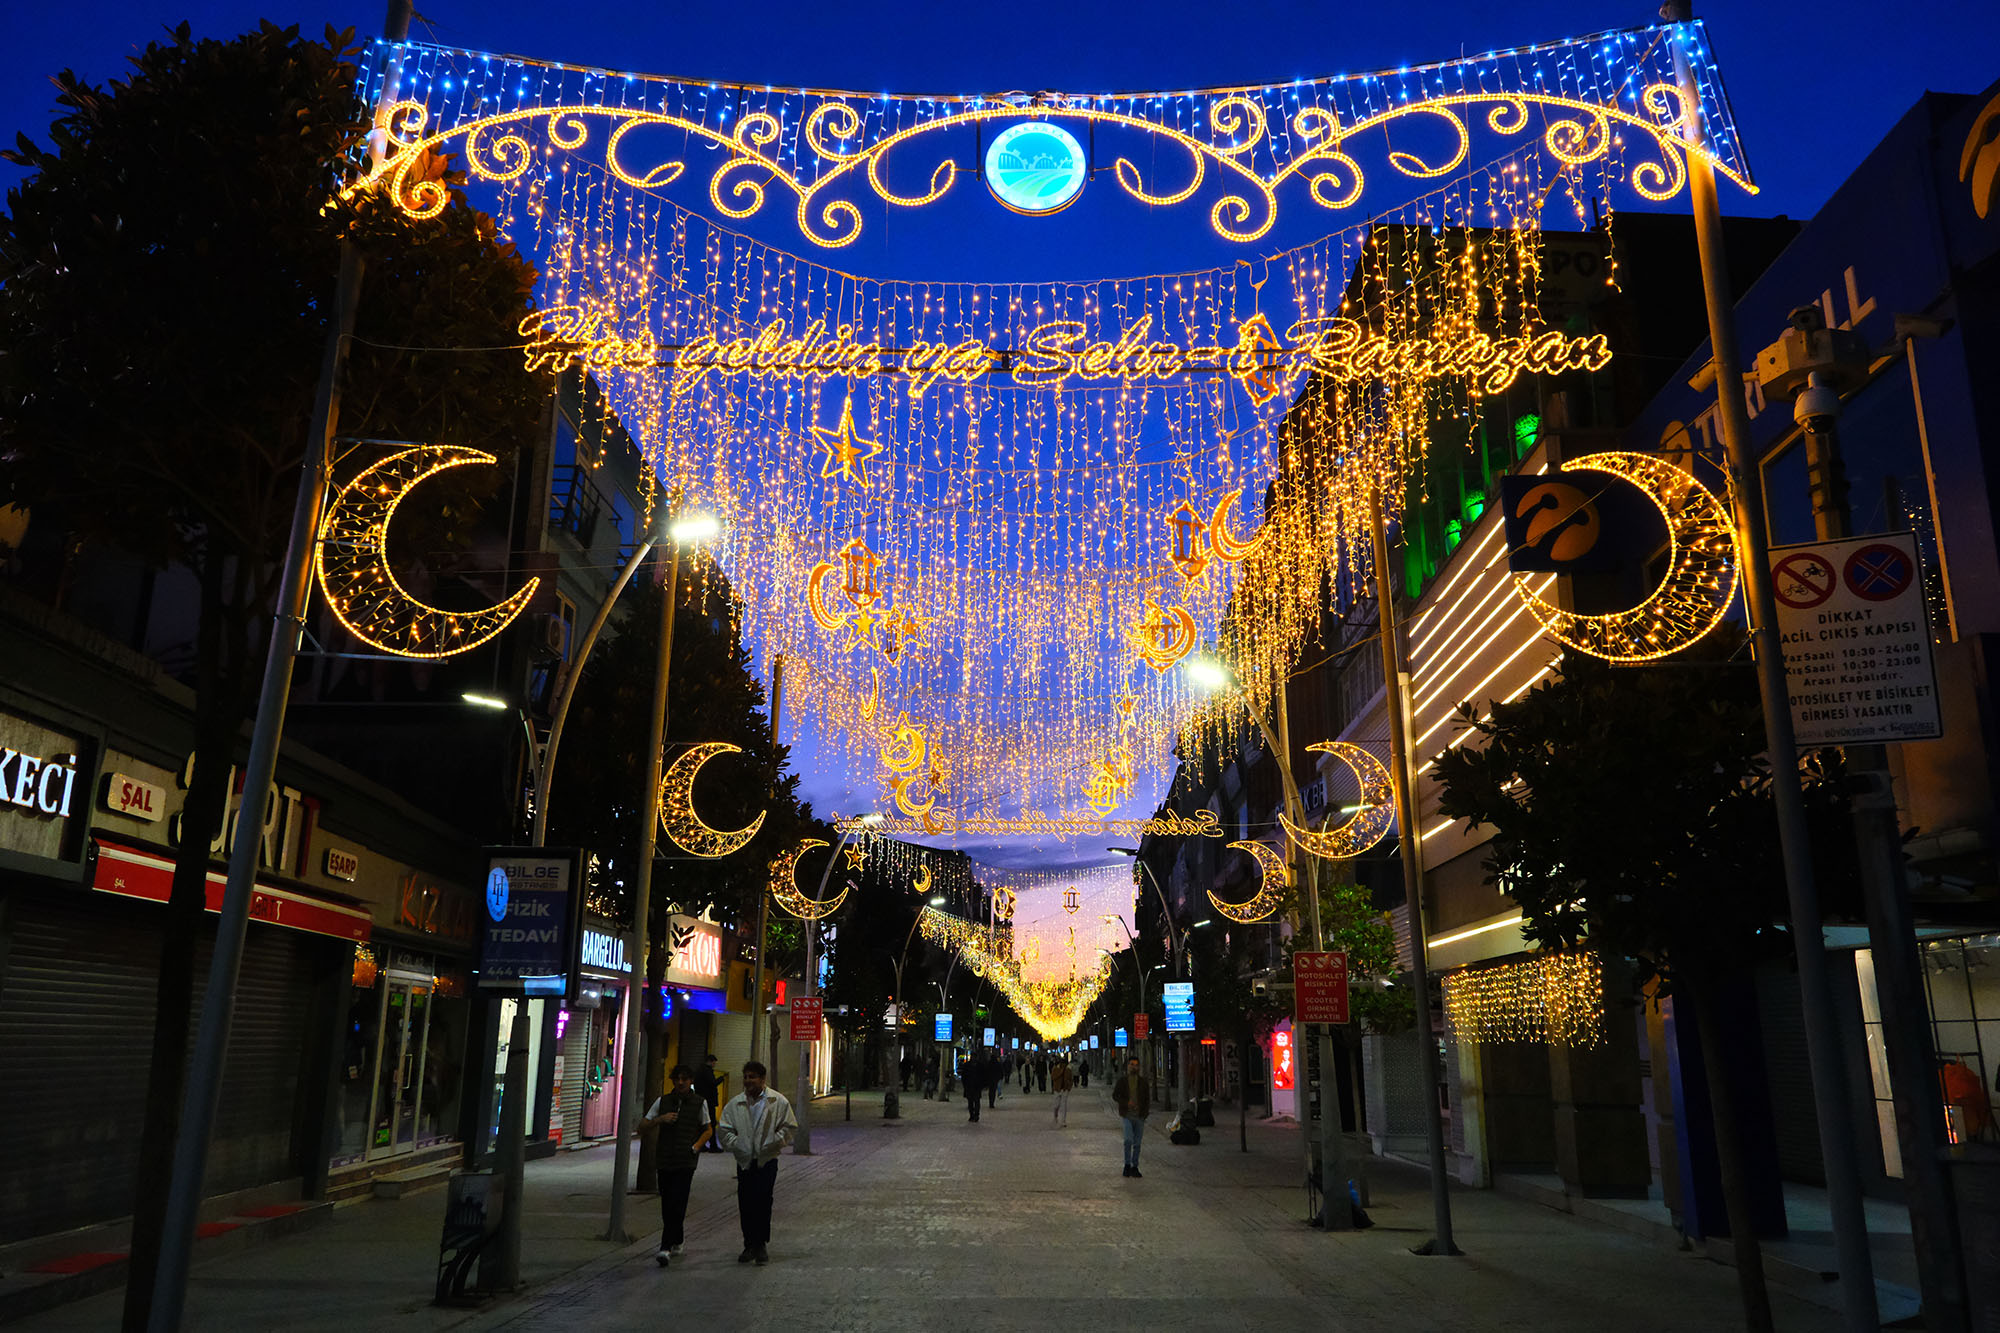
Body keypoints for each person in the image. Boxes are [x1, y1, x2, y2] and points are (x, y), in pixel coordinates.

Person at [716, 1060, 797, 1265]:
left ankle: (760, 1245)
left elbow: (789, 1127)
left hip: (766, 1161)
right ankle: (749, 1244)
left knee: (763, 1201)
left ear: (762, 1079)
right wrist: (738, 1145)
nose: (748, 1081)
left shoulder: (778, 1102)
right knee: (746, 1203)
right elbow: (724, 1129)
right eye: (745, 1077)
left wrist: (773, 1143)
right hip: (745, 1162)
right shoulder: (735, 1104)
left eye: (752, 1077)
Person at [643, 1064, 712, 1267]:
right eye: (677, 1079)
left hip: (686, 1161)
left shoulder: (699, 1103)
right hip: (665, 1160)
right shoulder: (662, 1102)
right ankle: (678, 1238)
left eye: (685, 1079)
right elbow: (642, 1126)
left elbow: (708, 1129)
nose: (681, 1082)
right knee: (667, 1204)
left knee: (678, 1203)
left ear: (691, 1081)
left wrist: (695, 1147)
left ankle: (665, 1247)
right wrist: (660, 1119)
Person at [1113, 1055, 1150, 1178]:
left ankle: (1135, 1166)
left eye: (1136, 1065)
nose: (1134, 1067)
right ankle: (1127, 1165)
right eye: (1132, 1064)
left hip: (1139, 1116)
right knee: (1128, 1140)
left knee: (1137, 1143)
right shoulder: (1122, 1081)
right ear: (1128, 1066)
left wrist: (1145, 1113)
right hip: (1127, 1115)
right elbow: (1115, 1095)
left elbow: (1147, 1099)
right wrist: (1126, 1103)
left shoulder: (1143, 1082)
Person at [695, 1053, 724, 1152]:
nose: (714, 1065)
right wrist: (720, 1079)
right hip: (708, 1101)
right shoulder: (707, 1071)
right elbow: (712, 1083)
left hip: (702, 1100)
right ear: (710, 1062)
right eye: (714, 1062)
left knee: (703, 1123)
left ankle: (702, 1144)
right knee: (711, 1123)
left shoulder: (699, 1070)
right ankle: (713, 1145)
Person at [1050, 1056, 1072, 1128]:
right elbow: (1053, 1077)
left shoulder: (1068, 1070)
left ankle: (1063, 1120)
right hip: (1057, 1089)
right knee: (1056, 1105)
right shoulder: (1056, 1069)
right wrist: (1061, 1072)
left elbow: (1070, 1079)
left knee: (1064, 1105)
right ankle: (1055, 1116)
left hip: (1065, 1089)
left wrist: (1069, 1087)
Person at [962, 1052, 984, 1122]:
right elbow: (963, 1077)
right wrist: (965, 1085)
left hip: (977, 1087)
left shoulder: (980, 1066)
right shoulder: (967, 1065)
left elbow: (983, 1076)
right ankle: (971, 1115)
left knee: (976, 1101)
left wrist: (982, 1085)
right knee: (970, 1102)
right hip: (969, 1087)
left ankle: (976, 1115)